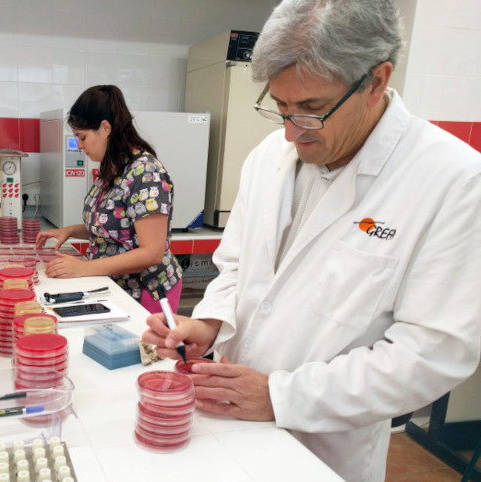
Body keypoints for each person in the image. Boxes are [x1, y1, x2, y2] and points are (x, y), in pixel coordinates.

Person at [142, 1, 481, 481]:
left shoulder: (452, 180)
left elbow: (433, 352)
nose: (289, 131)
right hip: (227, 421)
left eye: (312, 110)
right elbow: (237, 263)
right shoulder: (268, 156)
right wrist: (211, 324)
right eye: (280, 107)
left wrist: (285, 397)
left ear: (377, 81)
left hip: (326, 449)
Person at [36, 85, 183, 312]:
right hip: (115, 288)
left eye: (82, 137)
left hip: (146, 291)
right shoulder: (113, 167)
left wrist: (85, 268)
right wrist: (71, 231)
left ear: (105, 128)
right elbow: (116, 226)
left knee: (143, 348)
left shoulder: (145, 172)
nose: (79, 145)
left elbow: (152, 252)